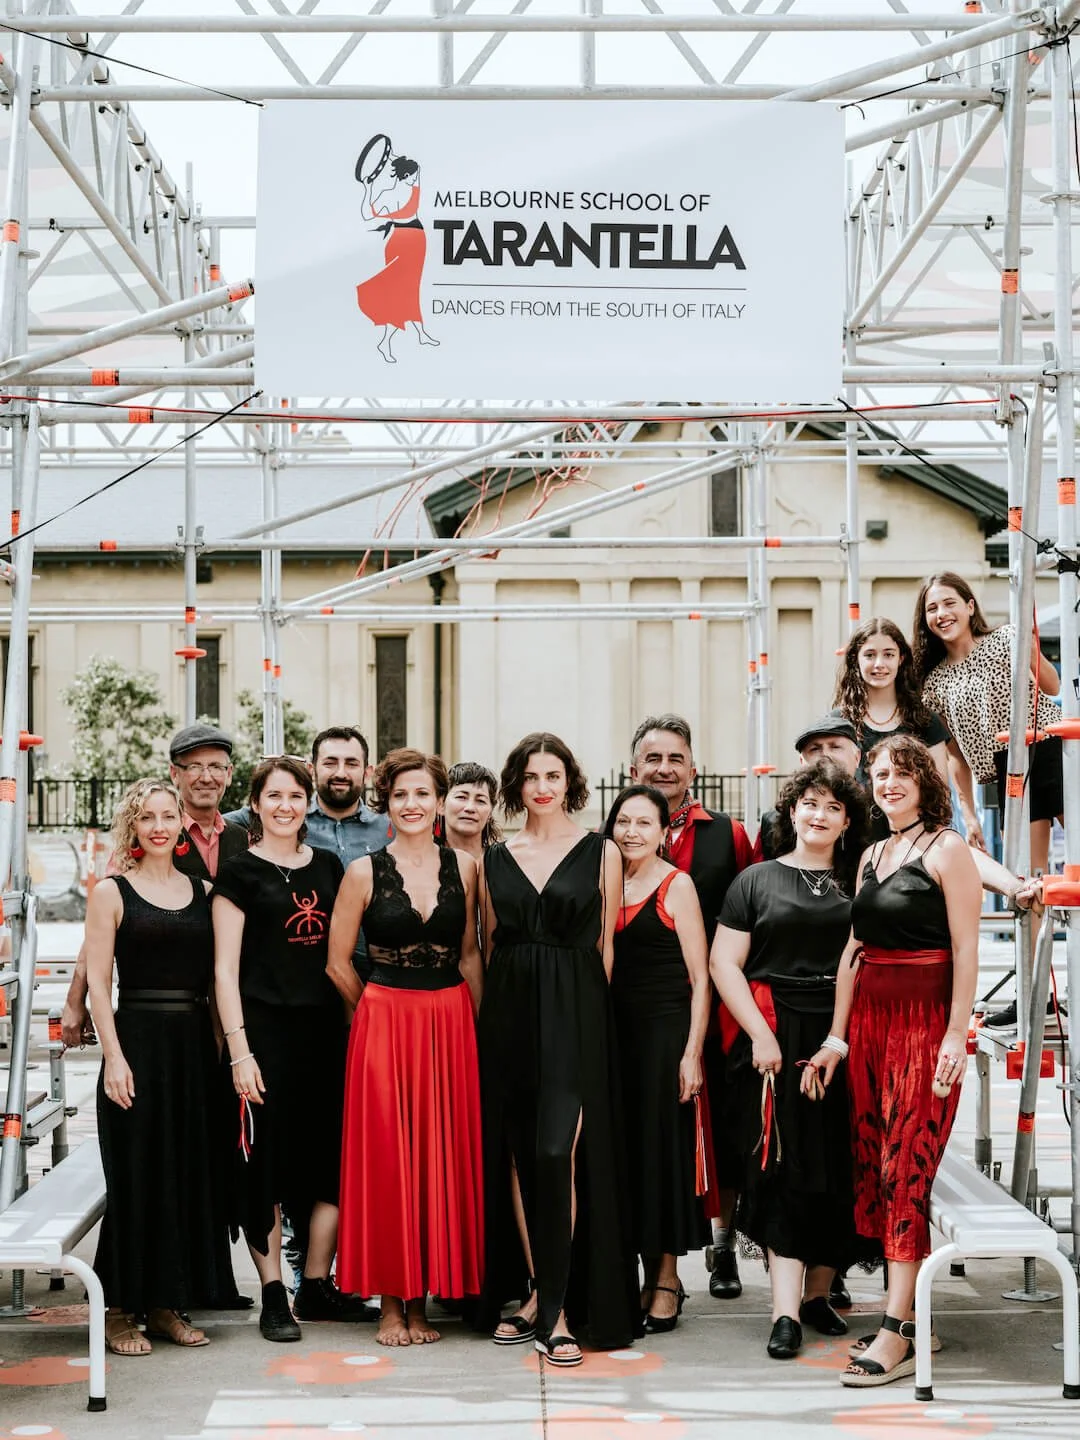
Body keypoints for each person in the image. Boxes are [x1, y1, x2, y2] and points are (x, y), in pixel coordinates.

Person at [805, 734, 981, 1388]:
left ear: (924, 781)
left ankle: (896, 1329)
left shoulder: (949, 849)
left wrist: (956, 1036)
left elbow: (966, 950)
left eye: (902, 772)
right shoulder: (873, 854)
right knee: (875, 1168)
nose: (889, 782)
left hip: (924, 1026)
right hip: (872, 1030)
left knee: (905, 1166)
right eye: (879, 773)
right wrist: (837, 1037)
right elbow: (854, 950)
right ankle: (912, 1315)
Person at [478, 731, 636, 1364]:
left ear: (571, 782)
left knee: (557, 1151)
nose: (542, 787)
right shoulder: (492, 856)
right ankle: (542, 1296)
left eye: (554, 775)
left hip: (577, 1009)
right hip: (511, 1010)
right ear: (516, 785)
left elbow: (607, 950)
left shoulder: (601, 852)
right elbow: (487, 947)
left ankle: (562, 1305)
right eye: (531, 777)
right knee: (522, 1154)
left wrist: (592, 1024)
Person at [327, 749, 485, 1348]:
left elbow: (469, 953)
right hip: (386, 1020)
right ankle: (393, 1304)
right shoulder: (363, 872)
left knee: (440, 1155)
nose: (412, 805)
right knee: (391, 1159)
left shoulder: (466, 868)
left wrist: (478, 1023)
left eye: (423, 794)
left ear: (440, 801)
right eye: (399, 795)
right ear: (385, 803)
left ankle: (427, 1302)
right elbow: (338, 963)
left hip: (449, 1022)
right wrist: (373, 1008)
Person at [711, 762, 868, 1361]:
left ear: (846, 819)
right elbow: (725, 965)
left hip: (841, 1032)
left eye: (832, 806)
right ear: (793, 810)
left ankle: (817, 1296)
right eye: (810, 803)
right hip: (775, 1028)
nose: (819, 814)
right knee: (784, 1169)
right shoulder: (755, 881)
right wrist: (759, 1036)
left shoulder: (862, 880)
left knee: (837, 1165)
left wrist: (841, 1036)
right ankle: (783, 1313)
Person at [213, 756, 370, 1342]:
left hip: (326, 1034)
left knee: (329, 1161)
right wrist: (240, 1052)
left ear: (307, 803)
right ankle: (274, 1292)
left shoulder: (330, 866)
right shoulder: (239, 873)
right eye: (273, 795)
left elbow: (342, 957)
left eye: (295, 796)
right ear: (255, 803)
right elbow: (225, 973)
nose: (285, 805)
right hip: (264, 1037)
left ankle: (318, 1286)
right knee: (266, 1168)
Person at [85, 779, 235, 1356]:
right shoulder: (111, 892)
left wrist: (224, 1054)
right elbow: (99, 981)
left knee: (182, 1174)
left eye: (167, 815)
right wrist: (114, 1058)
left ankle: (167, 1304)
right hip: (138, 1045)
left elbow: (221, 977)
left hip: (193, 1048)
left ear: (180, 824)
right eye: (146, 816)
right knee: (136, 1178)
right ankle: (119, 1310)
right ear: (134, 826)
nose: (158, 825)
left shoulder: (203, 889)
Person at [629, 714, 754, 1301]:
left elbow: (752, 915)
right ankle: (654, 1260)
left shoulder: (726, 836)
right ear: (634, 769)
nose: (664, 769)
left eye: (675, 759)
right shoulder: (618, 837)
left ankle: (722, 1245)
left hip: (717, 1011)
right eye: (653, 759)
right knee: (655, 1137)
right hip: (648, 1015)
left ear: (692, 769)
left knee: (724, 1134)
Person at [62, 723, 247, 1049]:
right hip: (165, 1006)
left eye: (216, 766)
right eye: (194, 767)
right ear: (174, 774)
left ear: (229, 774)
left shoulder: (243, 839)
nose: (207, 777)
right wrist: (75, 1000)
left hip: (230, 1007)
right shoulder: (150, 839)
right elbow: (101, 930)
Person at [604, 784, 711, 1334]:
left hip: (664, 1039)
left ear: (663, 831)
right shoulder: (600, 883)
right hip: (611, 1040)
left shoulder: (678, 885)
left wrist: (692, 1053)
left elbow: (701, 980)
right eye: (623, 821)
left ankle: (665, 1279)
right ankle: (630, 1277)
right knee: (622, 1159)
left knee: (661, 1155)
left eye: (644, 823)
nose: (631, 832)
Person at [913, 571, 1062, 869]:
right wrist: (968, 816)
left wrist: (1030, 649)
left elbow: (1053, 686)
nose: (942, 614)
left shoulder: (1006, 638)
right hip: (1007, 771)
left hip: (1049, 748)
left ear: (969, 606)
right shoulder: (934, 683)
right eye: (932, 609)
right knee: (1024, 876)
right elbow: (954, 754)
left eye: (949, 603)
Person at [832, 617, 951, 795]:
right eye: (870, 655)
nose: (879, 664)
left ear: (901, 658)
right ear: (856, 659)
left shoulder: (926, 721)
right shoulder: (838, 723)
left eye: (888, 654)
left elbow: (940, 793)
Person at [755, 716, 862, 863]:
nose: (825, 755)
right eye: (815, 749)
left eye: (835, 747)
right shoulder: (774, 821)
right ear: (802, 762)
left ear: (857, 757)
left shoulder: (881, 815)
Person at [442, 761, 501, 859]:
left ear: (490, 812)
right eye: (461, 797)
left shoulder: (503, 860)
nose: (470, 808)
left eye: (480, 801)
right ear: (441, 804)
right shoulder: (423, 859)